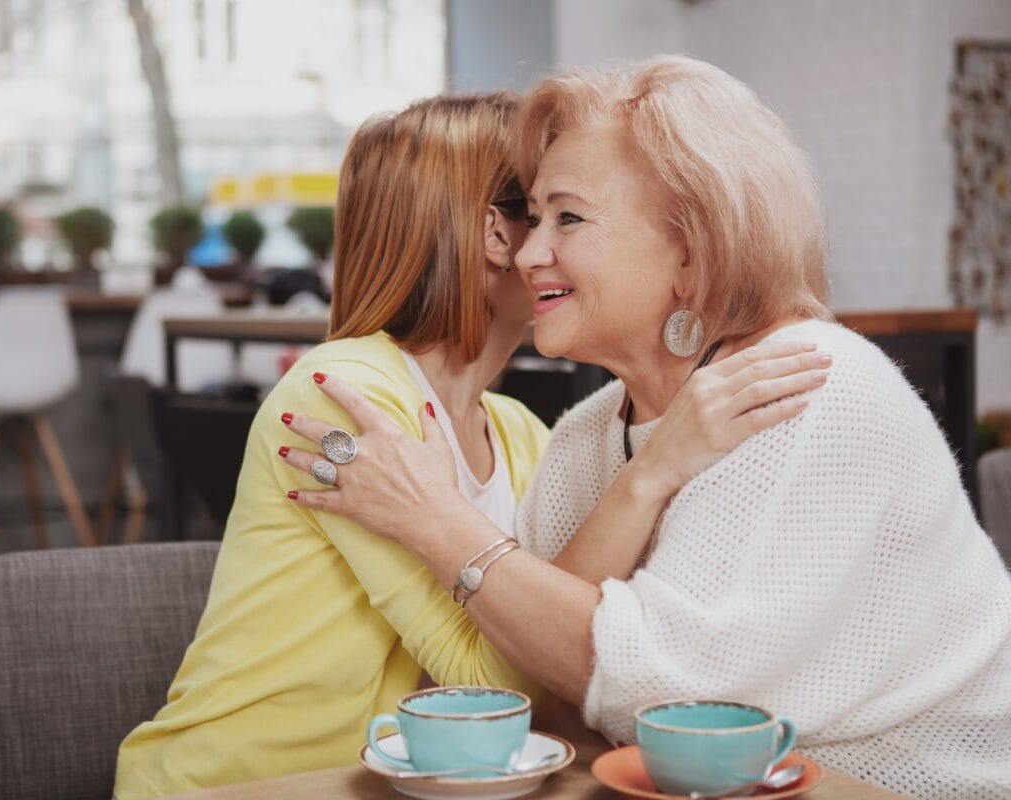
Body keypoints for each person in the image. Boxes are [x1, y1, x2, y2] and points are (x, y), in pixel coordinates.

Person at [281, 56, 1011, 799]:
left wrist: (433, 518)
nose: (530, 252)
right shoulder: (584, 437)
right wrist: (641, 483)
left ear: (693, 250)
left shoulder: (810, 388)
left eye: (568, 217)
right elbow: (535, 683)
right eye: (533, 217)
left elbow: (663, 696)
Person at [114, 90, 824, 798]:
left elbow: (550, 634)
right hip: (237, 786)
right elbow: (498, 681)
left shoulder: (518, 431)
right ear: (497, 235)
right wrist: (653, 472)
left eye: (567, 215)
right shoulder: (343, 395)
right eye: (548, 213)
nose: (559, 239)